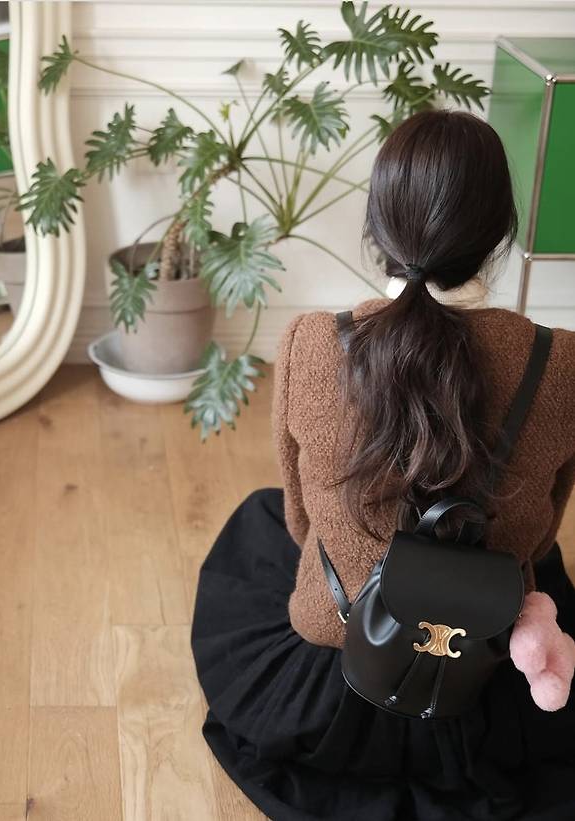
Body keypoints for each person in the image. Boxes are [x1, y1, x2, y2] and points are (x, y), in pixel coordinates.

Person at [190, 109, 575, 821]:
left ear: (378, 224)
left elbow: (301, 522)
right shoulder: (561, 364)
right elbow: (544, 532)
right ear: (500, 232)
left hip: (332, 678)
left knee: (260, 520)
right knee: (544, 570)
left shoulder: (311, 344)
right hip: (489, 670)